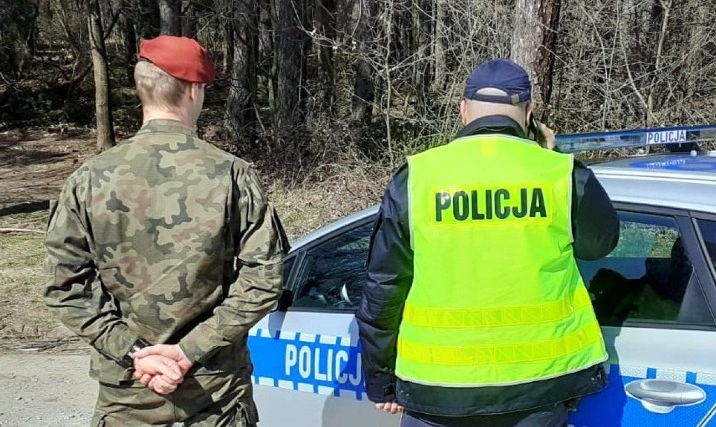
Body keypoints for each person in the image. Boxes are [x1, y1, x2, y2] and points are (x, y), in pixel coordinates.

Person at [355, 58, 620, 427]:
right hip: (538, 387)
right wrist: (549, 157)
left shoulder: (419, 177)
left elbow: (384, 286)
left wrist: (381, 381)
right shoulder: (557, 173)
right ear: (529, 114)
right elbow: (600, 244)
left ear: (464, 112)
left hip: (437, 390)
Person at [44, 35, 289, 426]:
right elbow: (264, 277)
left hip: (128, 388)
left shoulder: (89, 178)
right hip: (216, 391)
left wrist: (134, 352)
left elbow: (65, 286)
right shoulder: (231, 174)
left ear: (142, 90)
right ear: (194, 89)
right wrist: (190, 351)